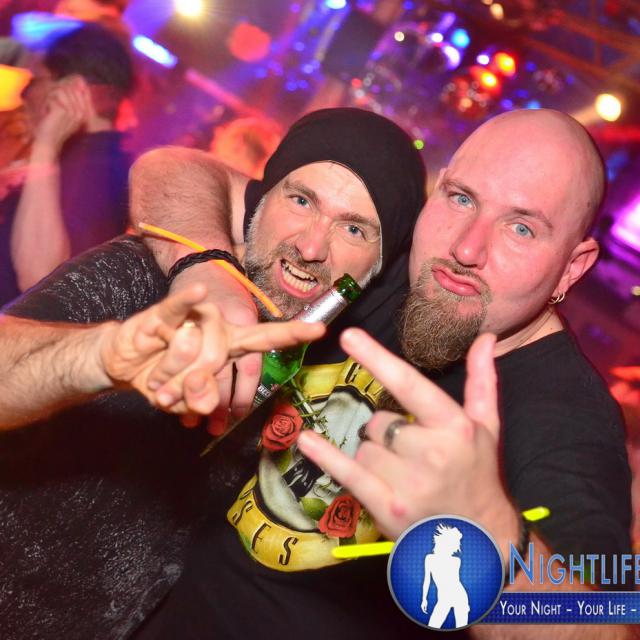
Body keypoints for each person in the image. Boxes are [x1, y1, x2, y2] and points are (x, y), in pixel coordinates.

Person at [129, 109, 632, 640]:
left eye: (522, 228)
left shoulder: (567, 422)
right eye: (461, 198)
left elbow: (607, 626)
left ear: (573, 267)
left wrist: (487, 532)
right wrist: (207, 271)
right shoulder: (399, 265)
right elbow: (172, 170)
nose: (466, 249)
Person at [0, 107, 427, 639]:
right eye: (301, 201)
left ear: (375, 271)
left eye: (354, 229)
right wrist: (100, 356)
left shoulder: (319, 365)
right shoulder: (152, 281)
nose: (312, 247)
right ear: (259, 200)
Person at [0, 22, 134, 305]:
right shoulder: (83, 161)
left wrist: (45, 148)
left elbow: (40, 279)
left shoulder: (101, 178)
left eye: (36, 80)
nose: (24, 93)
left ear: (73, 90)